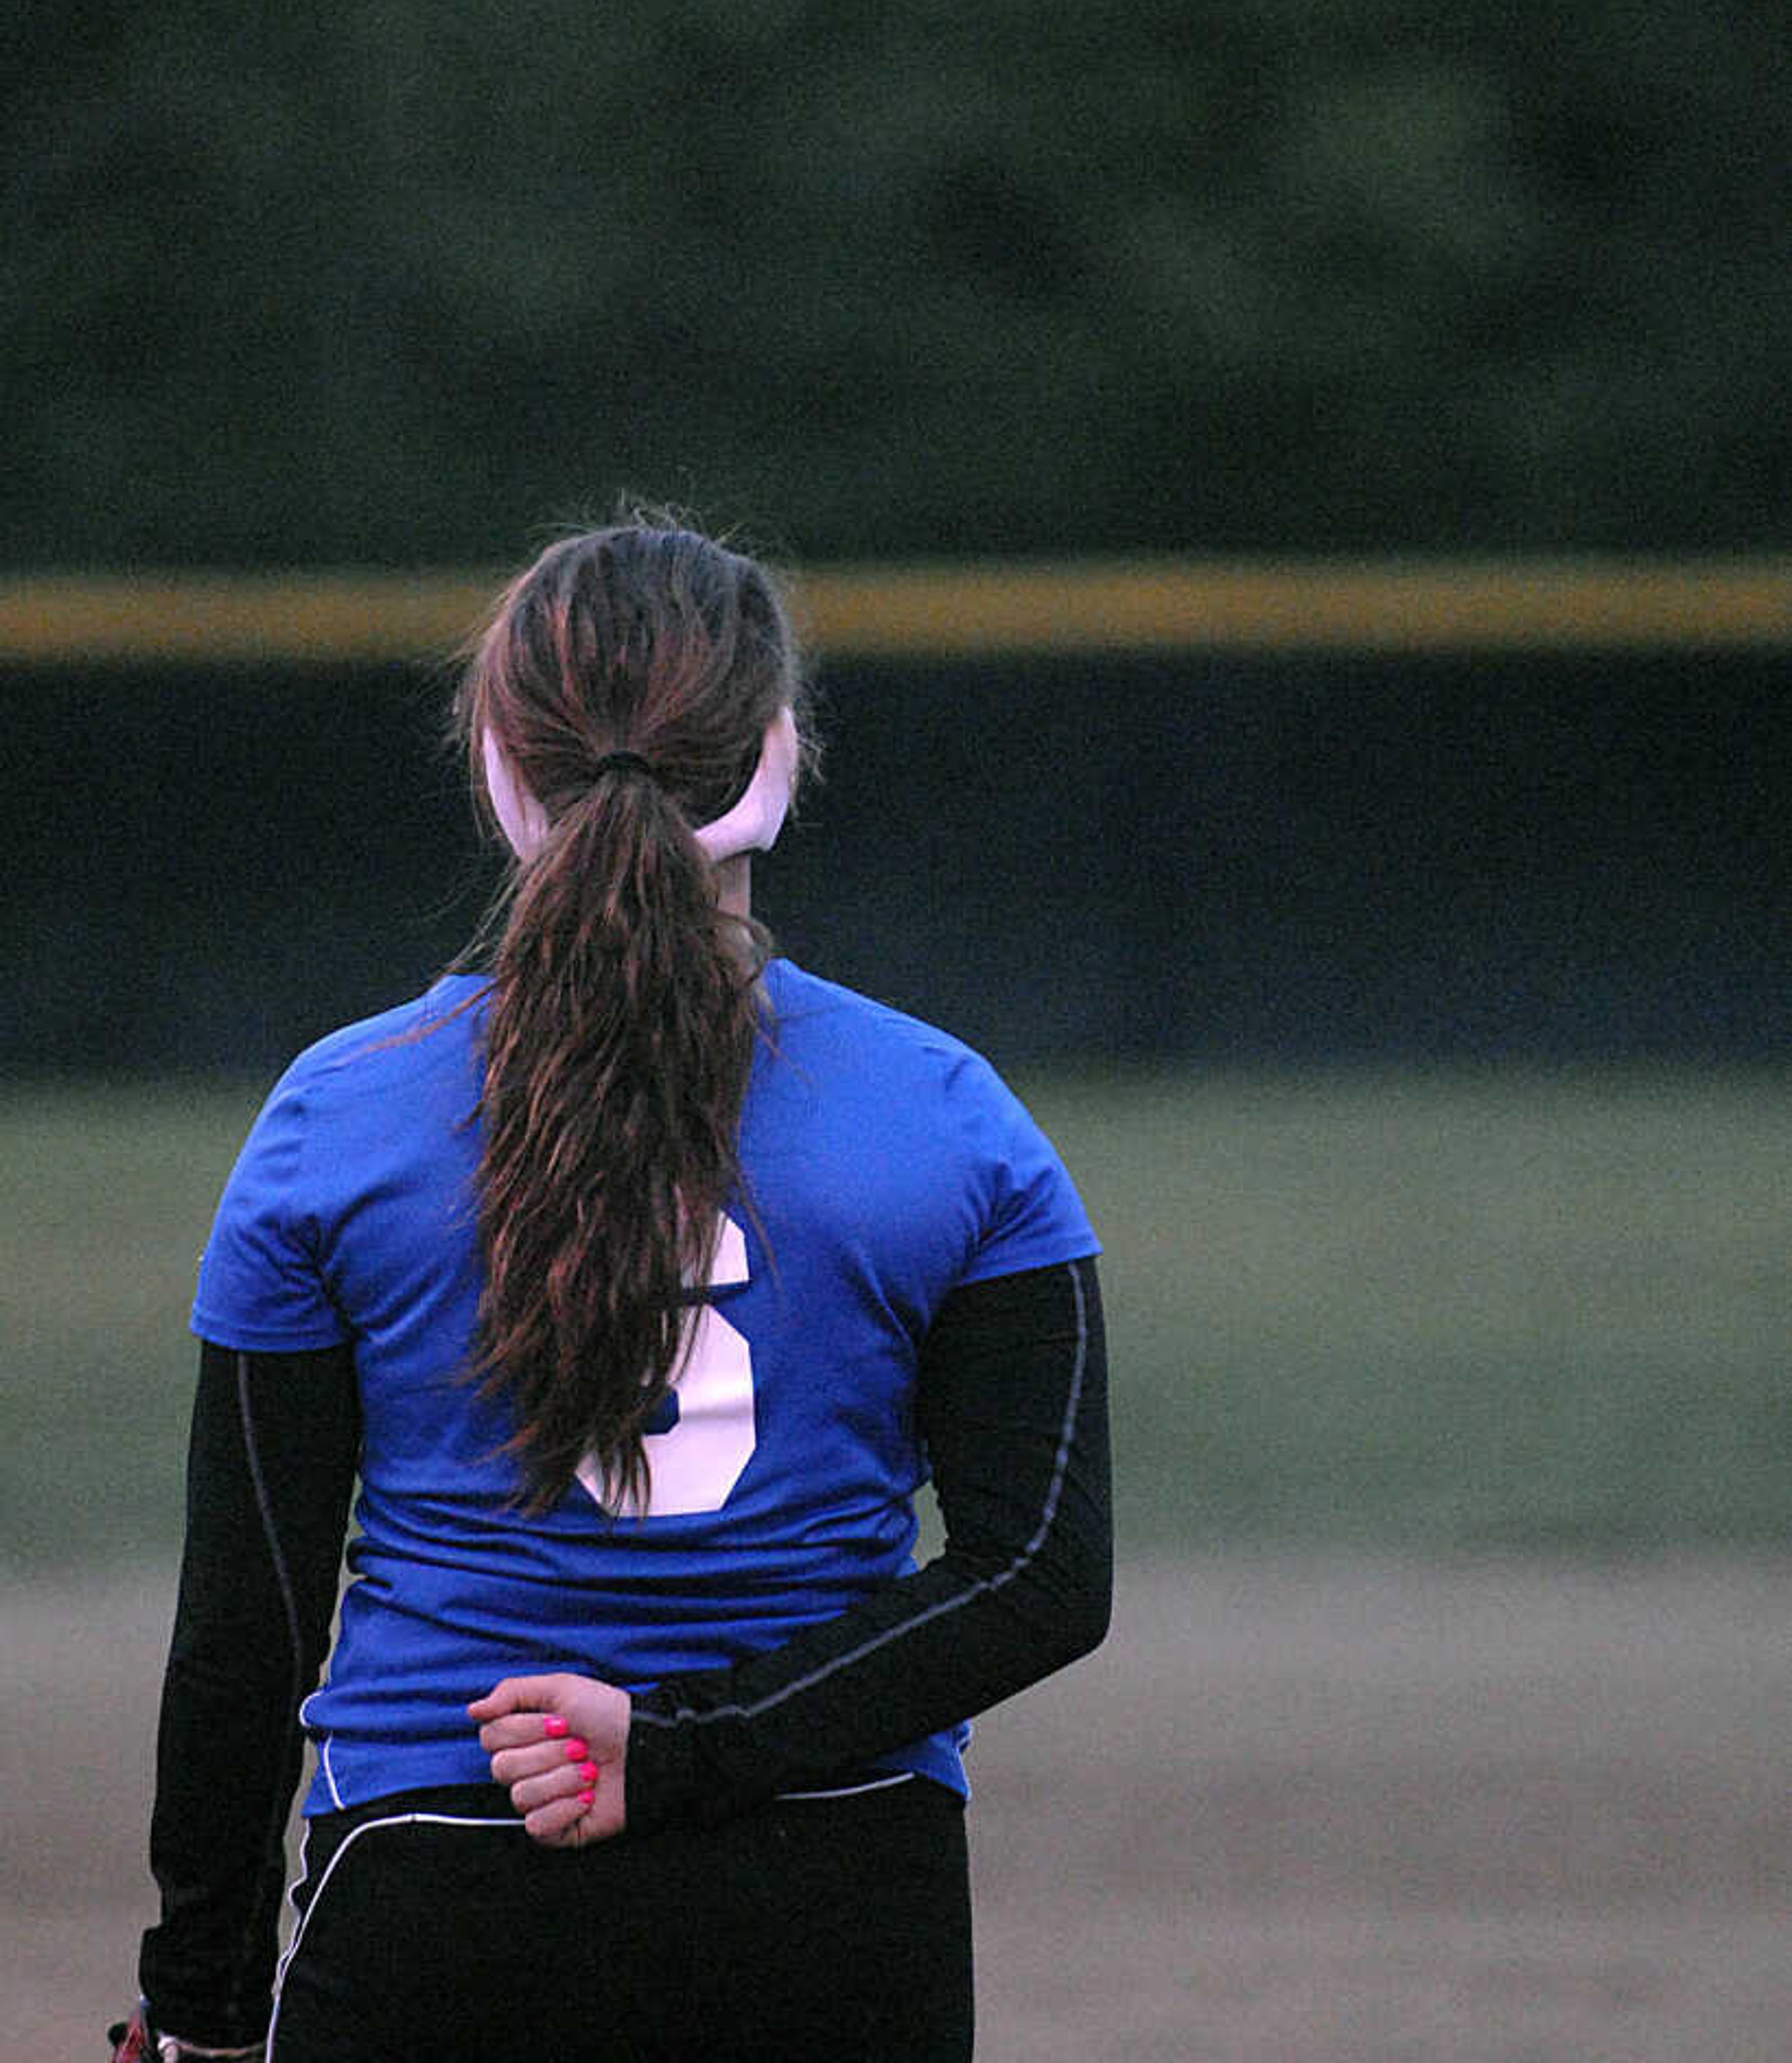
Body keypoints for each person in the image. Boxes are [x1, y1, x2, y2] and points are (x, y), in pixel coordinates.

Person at [113, 513, 1112, 2063]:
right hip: (838, 1892)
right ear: (774, 758)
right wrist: (693, 1747)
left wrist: (200, 2015)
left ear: (502, 770)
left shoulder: (336, 1118)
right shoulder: (948, 1116)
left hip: (440, 1884)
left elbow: (248, 1633)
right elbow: (1040, 1573)